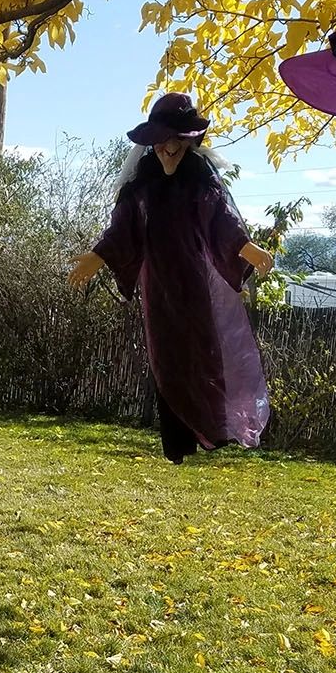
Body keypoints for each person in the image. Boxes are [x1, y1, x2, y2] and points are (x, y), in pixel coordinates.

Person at [69, 93, 274, 463]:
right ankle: (176, 440)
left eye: (176, 140)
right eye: (162, 141)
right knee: (166, 357)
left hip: (194, 284)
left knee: (201, 350)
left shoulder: (200, 180)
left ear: (189, 140)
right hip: (159, 287)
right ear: (152, 144)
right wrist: (96, 257)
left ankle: (214, 429)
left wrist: (248, 249)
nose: (168, 148)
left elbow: (222, 223)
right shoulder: (142, 185)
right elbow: (123, 229)